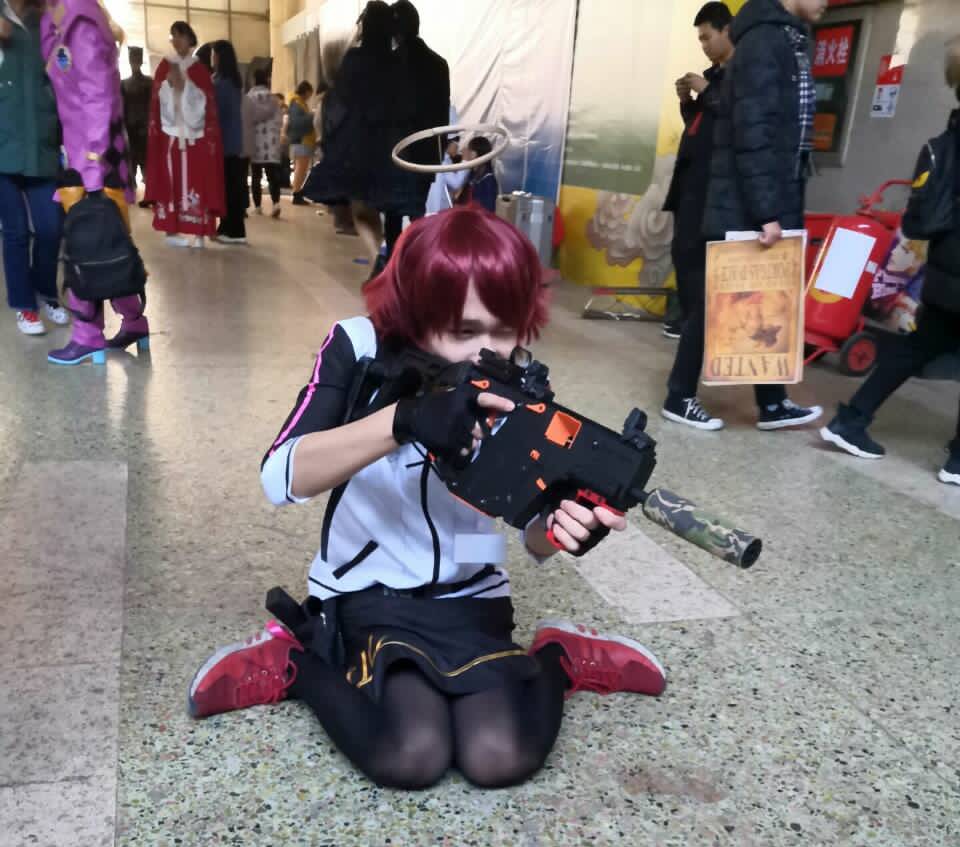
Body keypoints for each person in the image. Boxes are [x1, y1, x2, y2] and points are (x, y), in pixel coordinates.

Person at [187, 207, 667, 791]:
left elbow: (529, 533)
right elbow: (281, 477)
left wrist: (561, 529)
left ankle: (557, 657)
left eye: (504, 330)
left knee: (500, 758)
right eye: (464, 332)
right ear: (416, 313)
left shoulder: (519, 386)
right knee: (411, 755)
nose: (487, 352)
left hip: (472, 590)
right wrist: (404, 419)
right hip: (367, 590)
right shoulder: (359, 347)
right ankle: (296, 663)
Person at [820, 40, 960, 485]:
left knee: (917, 347)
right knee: (919, 347)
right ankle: (958, 461)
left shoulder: (947, 139)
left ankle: (851, 419)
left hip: (945, 272)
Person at [693, 0, 826, 431]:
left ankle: (772, 403)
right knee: (719, 303)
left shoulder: (785, 39)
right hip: (748, 200)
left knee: (769, 300)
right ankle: (679, 396)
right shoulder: (765, 43)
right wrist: (766, 210)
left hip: (769, 194)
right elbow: (753, 133)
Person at [40, 0, 148, 364]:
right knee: (108, 243)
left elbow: (98, 95)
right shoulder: (54, 20)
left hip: (94, 157)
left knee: (86, 245)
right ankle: (134, 322)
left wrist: (91, 165)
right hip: (81, 154)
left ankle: (88, 336)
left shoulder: (80, 20)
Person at [302, 2, 423, 276]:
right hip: (390, 149)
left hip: (357, 150)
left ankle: (377, 254)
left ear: (364, 27)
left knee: (361, 211)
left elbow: (338, 105)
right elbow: (407, 107)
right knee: (386, 209)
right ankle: (387, 260)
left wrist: (332, 142)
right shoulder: (398, 62)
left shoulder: (353, 60)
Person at [661, 3, 733, 348]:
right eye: (700, 39)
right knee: (682, 252)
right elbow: (699, 126)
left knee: (700, 257)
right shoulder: (713, 76)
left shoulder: (740, 76)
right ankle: (690, 318)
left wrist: (706, 90)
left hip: (714, 184)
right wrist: (687, 101)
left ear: (726, 31)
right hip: (690, 178)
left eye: (707, 37)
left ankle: (697, 323)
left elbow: (734, 118)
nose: (703, 45)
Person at [0, 0, 67, 337]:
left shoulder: (47, 20)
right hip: (3, 148)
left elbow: (64, 72)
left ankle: (46, 290)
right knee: (15, 232)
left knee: (51, 227)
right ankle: (24, 304)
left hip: (42, 145)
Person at [145, 21, 225, 248]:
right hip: (170, 136)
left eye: (181, 35)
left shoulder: (200, 70)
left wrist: (185, 87)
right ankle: (171, 230)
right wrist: (170, 87)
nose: (177, 40)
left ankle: (199, 231)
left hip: (195, 137)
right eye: (173, 36)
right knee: (171, 183)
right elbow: (158, 103)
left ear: (191, 39)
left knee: (198, 182)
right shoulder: (165, 66)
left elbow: (206, 105)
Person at [387, 0, 450, 253]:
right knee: (417, 212)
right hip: (426, 152)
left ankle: (392, 264)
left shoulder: (390, 63)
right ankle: (417, 262)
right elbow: (442, 112)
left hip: (395, 151)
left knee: (392, 214)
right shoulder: (438, 64)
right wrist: (438, 153)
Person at [211, 39, 248, 244]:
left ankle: (235, 232)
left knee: (230, 189)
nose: (212, 58)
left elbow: (216, 112)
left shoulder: (222, 84)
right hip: (231, 142)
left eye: (214, 54)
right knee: (229, 187)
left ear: (220, 57)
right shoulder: (230, 81)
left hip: (226, 142)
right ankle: (226, 227)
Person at [247, 69, 284, 218]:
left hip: (255, 142)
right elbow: (279, 121)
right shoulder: (274, 100)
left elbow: (246, 118)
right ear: (267, 80)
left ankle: (257, 207)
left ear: (254, 80)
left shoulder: (249, 98)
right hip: (271, 143)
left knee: (256, 176)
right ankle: (276, 203)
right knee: (272, 175)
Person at [121, 45, 152, 201]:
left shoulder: (149, 83)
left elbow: (153, 106)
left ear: (140, 60)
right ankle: (130, 193)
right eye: (132, 58)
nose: (134, 61)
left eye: (136, 58)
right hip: (130, 129)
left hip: (145, 130)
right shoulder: (123, 84)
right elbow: (121, 108)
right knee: (130, 164)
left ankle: (150, 194)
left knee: (147, 165)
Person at [287, 80, 316, 205]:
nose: (310, 96)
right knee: (300, 169)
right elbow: (297, 123)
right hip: (301, 140)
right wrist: (312, 115)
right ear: (306, 91)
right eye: (310, 93)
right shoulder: (296, 103)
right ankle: (296, 194)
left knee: (300, 169)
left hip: (301, 140)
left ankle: (297, 192)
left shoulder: (299, 103)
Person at [456, 136, 499, 213]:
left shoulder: (488, 181)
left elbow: (487, 211)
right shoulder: (472, 175)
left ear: (474, 154)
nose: (465, 153)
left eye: (469, 150)